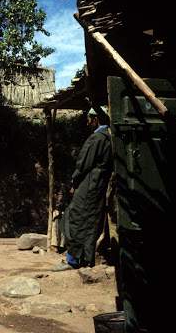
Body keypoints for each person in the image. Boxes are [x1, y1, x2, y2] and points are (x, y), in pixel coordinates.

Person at [53, 106, 113, 271]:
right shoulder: (110, 137)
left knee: (75, 218)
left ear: (95, 119)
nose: (87, 122)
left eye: (89, 119)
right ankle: (87, 258)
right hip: (99, 185)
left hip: (88, 185)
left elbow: (83, 164)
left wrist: (74, 182)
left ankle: (73, 259)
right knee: (92, 222)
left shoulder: (97, 139)